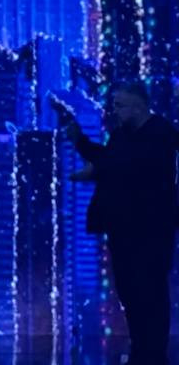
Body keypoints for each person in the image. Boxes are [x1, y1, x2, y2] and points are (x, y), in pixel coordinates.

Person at [63, 82, 179, 365]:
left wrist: (86, 151)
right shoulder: (120, 135)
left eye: (120, 105)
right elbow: (111, 162)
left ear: (138, 106)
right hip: (122, 226)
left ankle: (154, 352)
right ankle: (141, 348)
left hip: (152, 227)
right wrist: (84, 150)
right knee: (129, 289)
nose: (114, 111)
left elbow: (125, 166)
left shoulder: (162, 134)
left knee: (150, 289)